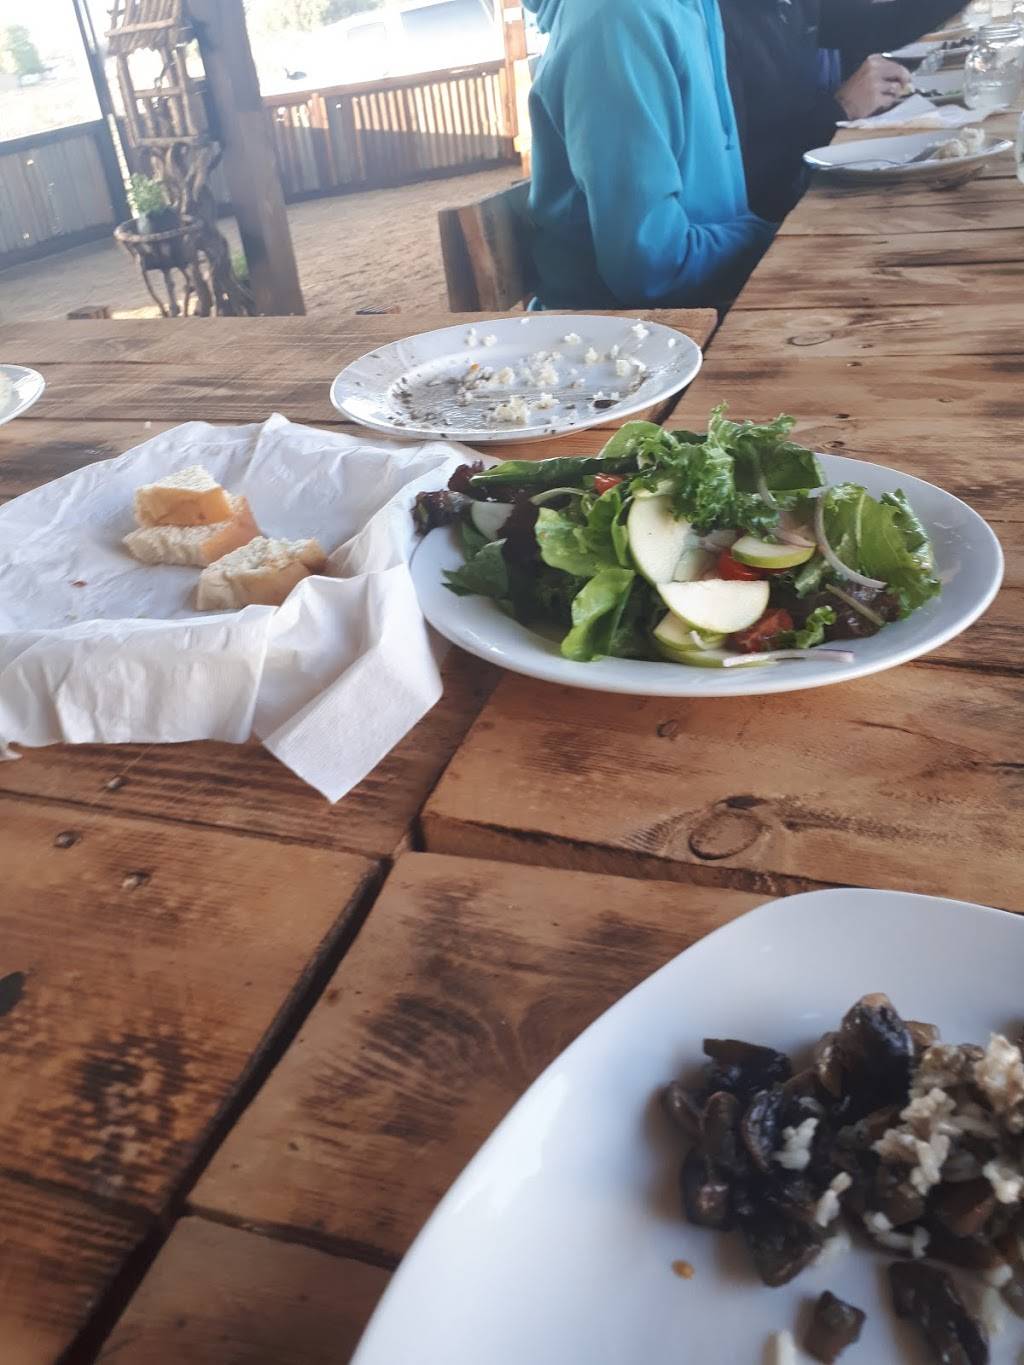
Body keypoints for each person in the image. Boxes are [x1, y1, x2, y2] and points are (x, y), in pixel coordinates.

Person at [522, 0, 776, 311]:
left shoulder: (696, 8)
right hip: (626, 331)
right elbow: (653, 269)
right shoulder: (618, 17)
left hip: (707, 305)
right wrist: (773, 238)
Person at [720, 0, 966, 221]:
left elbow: (879, 25)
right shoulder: (720, 23)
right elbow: (750, 170)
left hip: (814, 184)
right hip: (770, 218)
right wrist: (841, 107)